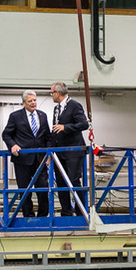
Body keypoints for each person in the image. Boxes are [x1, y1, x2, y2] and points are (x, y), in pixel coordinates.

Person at [2, 90, 50, 217]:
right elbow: (6, 134)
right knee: (24, 189)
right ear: (23, 103)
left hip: (41, 159)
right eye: (30, 101)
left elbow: (47, 137)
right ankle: (28, 215)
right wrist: (13, 145)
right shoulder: (15, 116)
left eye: (34, 100)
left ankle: (43, 216)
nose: (33, 103)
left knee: (43, 187)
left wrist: (49, 154)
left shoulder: (43, 115)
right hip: (22, 159)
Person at [48, 82, 89, 216]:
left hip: (73, 151)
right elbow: (55, 129)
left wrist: (65, 127)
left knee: (74, 180)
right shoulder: (56, 109)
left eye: (52, 92)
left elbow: (83, 124)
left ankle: (81, 210)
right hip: (60, 152)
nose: (51, 95)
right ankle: (66, 211)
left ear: (58, 93)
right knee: (60, 181)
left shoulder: (74, 105)